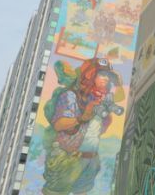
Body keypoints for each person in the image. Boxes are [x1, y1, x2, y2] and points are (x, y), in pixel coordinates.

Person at [43, 57, 123, 195]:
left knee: (82, 191)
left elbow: (100, 129)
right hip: (67, 157)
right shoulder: (71, 95)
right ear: (90, 75)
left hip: (90, 159)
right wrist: (82, 117)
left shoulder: (100, 99)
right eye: (102, 74)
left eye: (108, 76)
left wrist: (106, 114)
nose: (106, 79)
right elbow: (59, 124)